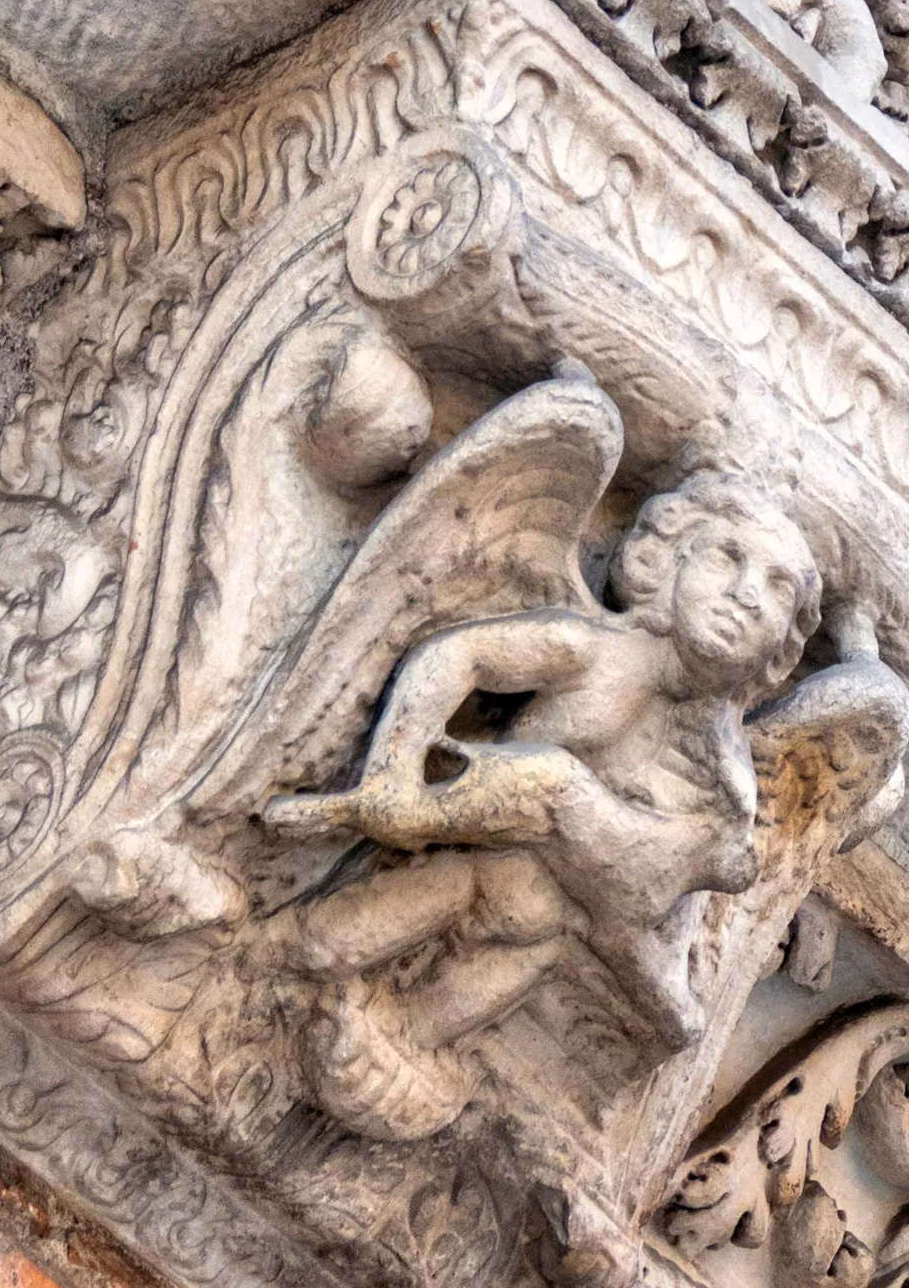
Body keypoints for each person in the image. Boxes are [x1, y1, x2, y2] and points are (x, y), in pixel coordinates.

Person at [261, 467, 821, 1138]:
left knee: (534, 901)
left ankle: (407, 1032)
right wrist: (391, 768)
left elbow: (675, 888)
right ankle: (312, 941)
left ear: (784, 648)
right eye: (727, 557)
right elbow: (457, 654)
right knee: (493, 883)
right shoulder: (593, 651)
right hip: (496, 859)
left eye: (778, 588)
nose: (748, 596)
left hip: (585, 920)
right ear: (664, 560)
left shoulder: (728, 775)